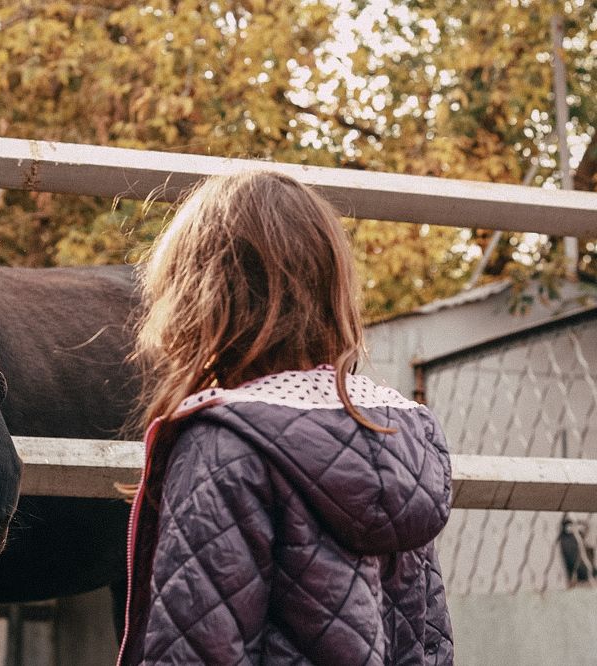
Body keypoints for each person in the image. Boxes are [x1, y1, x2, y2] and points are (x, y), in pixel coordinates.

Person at [117, 171, 454, 665]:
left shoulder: (223, 447)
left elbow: (197, 648)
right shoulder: (395, 437)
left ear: (198, 298)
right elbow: (427, 644)